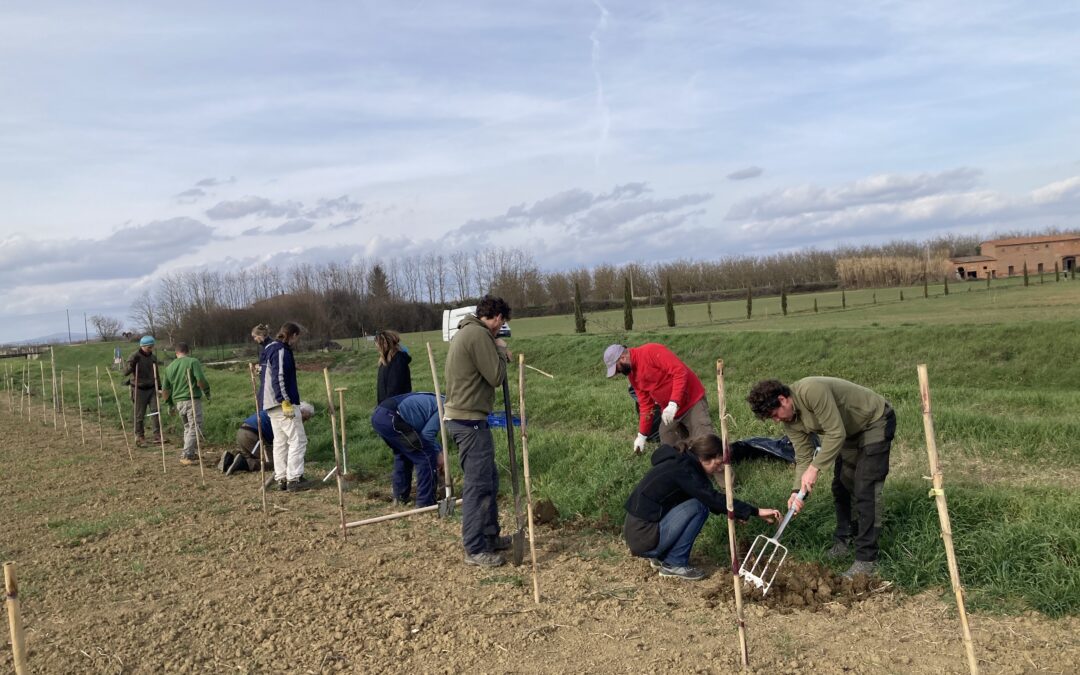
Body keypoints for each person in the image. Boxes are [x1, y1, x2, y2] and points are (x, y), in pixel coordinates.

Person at [746, 377, 896, 579]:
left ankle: (866, 559)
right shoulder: (790, 421)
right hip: (849, 432)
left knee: (865, 488)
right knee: (842, 486)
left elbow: (835, 433)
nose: (776, 420)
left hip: (874, 421)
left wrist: (815, 468)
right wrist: (797, 492)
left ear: (783, 399)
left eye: (775, 415)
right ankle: (845, 541)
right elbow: (803, 456)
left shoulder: (811, 391)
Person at [624, 434, 781, 580]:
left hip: (639, 533)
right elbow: (712, 499)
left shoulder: (679, 461)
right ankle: (674, 563)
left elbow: (709, 497)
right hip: (644, 536)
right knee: (700, 506)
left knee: (699, 501)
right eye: (719, 464)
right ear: (707, 458)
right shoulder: (685, 470)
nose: (720, 469)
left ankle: (661, 557)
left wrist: (737, 512)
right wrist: (755, 511)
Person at [444, 294, 513, 568]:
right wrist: (500, 349)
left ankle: (489, 536)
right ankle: (474, 548)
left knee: (489, 480)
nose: (501, 327)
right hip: (469, 421)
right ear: (497, 318)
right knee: (478, 486)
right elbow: (496, 376)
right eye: (502, 322)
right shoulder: (479, 335)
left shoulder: (468, 331)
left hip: (466, 419)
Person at [603, 343, 712, 454]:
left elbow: (679, 371)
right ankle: (685, 463)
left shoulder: (651, 351)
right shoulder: (632, 375)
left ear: (623, 358)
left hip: (691, 402)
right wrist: (642, 435)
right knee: (667, 438)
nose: (618, 372)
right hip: (670, 411)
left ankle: (716, 464)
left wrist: (674, 403)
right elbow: (645, 405)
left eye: (617, 368)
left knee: (706, 444)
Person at [260, 322, 313, 492]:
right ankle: (294, 479)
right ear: (294, 335)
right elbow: (279, 376)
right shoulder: (280, 350)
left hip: (269, 404)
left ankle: (281, 478)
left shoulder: (269, 348)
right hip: (281, 404)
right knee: (297, 439)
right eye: (298, 338)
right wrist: (285, 401)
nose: (298, 341)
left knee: (280, 442)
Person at [370, 392, 446, 507]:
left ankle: (400, 498)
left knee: (405, 454)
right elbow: (427, 435)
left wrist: (439, 450)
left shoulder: (435, 398)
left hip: (379, 415)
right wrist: (439, 455)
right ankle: (425, 504)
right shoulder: (445, 407)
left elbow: (422, 435)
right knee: (425, 456)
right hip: (393, 418)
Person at [223, 402, 315, 474]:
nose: (304, 421)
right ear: (300, 411)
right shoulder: (290, 415)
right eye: (305, 418)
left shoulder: (279, 408)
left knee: (255, 455)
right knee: (277, 462)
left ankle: (230, 460)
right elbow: (289, 441)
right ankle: (243, 464)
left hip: (243, 432)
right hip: (253, 436)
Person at [161, 342, 210, 466]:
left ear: (176, 352)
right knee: (195, 427)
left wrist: (169, 404)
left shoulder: (169, 367)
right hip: (191, 399)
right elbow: (200, 380)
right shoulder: (192, 362)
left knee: (188, 427)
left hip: (178, 402)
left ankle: (191, 452)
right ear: (187, 351)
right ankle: (186, 454)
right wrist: (207, 392)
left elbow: (165, 389)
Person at [124, 335, 164, 447]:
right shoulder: (134, 356)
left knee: (156, 411)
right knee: (139, 414)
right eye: (149, 347)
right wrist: (132, 364)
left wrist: (159, 387)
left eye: (152, 347)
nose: (151, 349)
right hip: (139, 389)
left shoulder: (153, 357)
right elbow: (125, 372)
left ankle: (157, 435)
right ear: (143, 346)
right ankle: (140, 436)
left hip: (151, 388)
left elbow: (156, 373)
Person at [375, 330, 412, 404]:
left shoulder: (398, 361)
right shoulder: (385, 362)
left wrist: (388, 407)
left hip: (396, 406)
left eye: (378, 345)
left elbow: (395, 389)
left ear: (384, 345)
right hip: (386, 406)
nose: (377, 348)